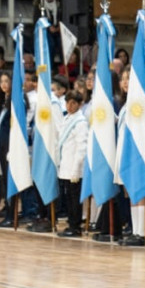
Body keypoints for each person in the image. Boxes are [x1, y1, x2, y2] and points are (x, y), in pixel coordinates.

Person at [56, 90, 88, 237]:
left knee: (74, 200)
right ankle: (70, 224)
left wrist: (76, 169)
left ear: (80, 105)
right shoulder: (67, 118)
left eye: (73, 103)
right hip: (65, 166)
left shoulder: (80, 122)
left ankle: (75, 227)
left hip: (74, 169)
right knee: (68, 199)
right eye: (68, 102)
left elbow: (81, 147)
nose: (70, 105)